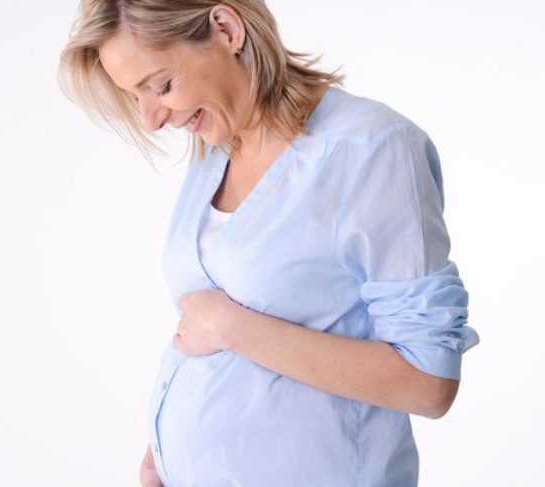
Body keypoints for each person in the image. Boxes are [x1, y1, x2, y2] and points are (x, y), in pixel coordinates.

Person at [57, 1, 480, 486]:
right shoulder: (217, 149)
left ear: (225, 28)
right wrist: (164, 451)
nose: (152, 119)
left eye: (160, 86)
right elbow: (214, 329)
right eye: (135, 98)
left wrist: (236, 329)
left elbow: (428, 383)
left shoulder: (371, 150)